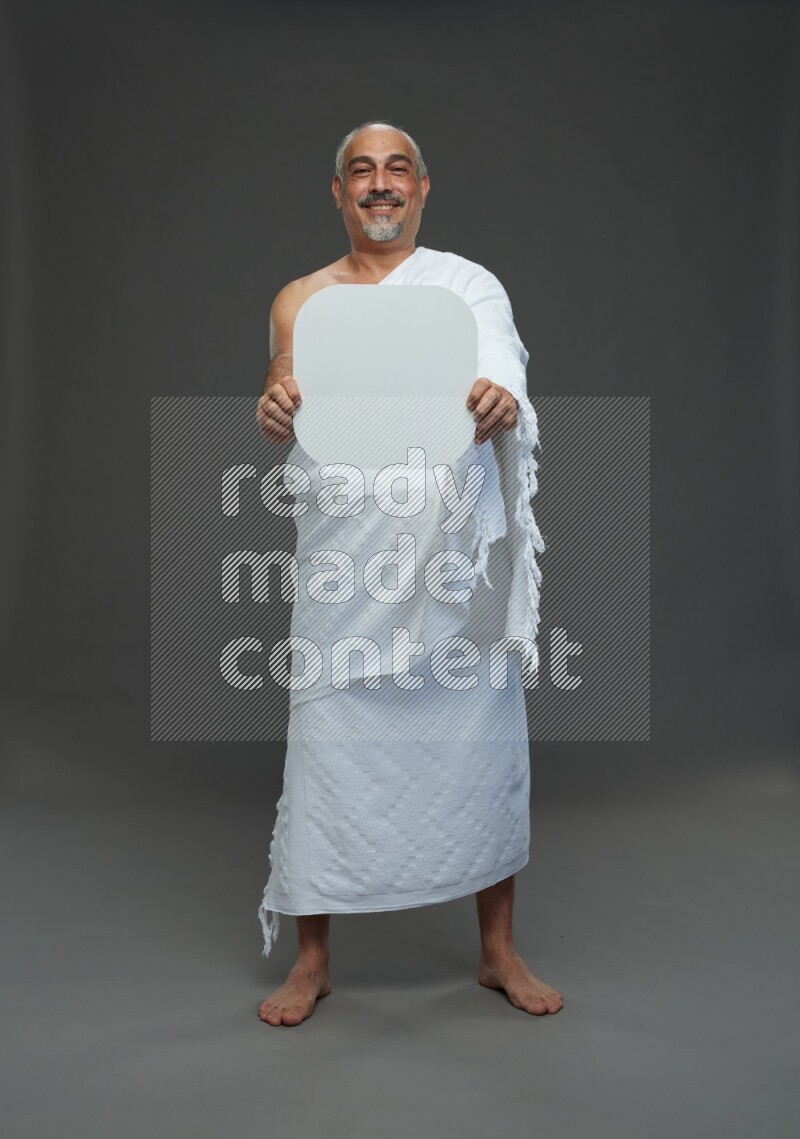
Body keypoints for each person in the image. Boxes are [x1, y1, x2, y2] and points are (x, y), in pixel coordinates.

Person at [254, 121, 563, 1026]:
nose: (380, 185)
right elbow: (284, 381)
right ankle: (312, 960)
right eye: (362, 172)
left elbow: (499, 361)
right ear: (339, 194)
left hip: (450, 558)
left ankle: (497, 950)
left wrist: (502, 395)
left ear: (423, 188)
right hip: (346, 564)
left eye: (397, 171)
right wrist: (274, 403)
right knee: (326, 742)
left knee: (480, 738)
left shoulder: (467, 287)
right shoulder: (301, 298)